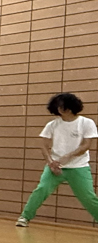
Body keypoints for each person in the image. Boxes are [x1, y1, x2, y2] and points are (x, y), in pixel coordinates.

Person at [16, 93, 98, 227]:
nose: (59, 109)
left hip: (78, 166)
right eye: (57, 106)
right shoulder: (52, 125)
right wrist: (50, 162)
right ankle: (25, 217)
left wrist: (68, 156)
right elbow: (44, 145)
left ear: (70, 107)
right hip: (54, 167)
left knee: (88, 197)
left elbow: (86, 145)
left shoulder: (86, 123)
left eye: (62, 106)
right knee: (41, 189)